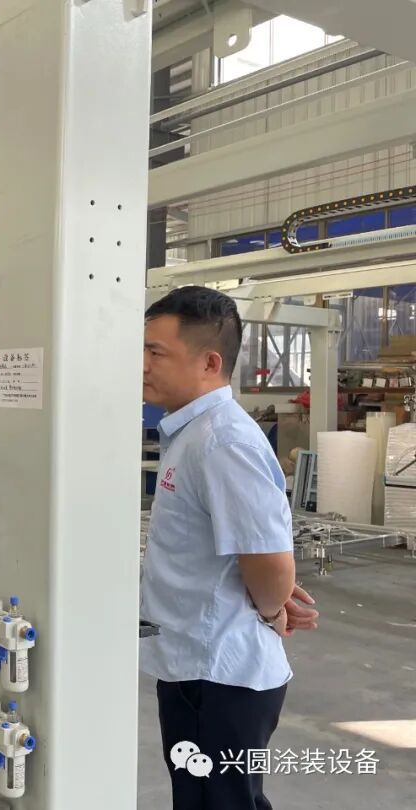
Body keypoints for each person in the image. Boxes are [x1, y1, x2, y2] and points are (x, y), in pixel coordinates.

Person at [140, 285, 320, 810]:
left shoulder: (224, 441)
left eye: (156, 352)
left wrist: (271, 607)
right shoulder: (194, 433)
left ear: (209, 362)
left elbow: (269, 560)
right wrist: (270, 597)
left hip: (220, 674)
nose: (143, 365)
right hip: (195, 665)